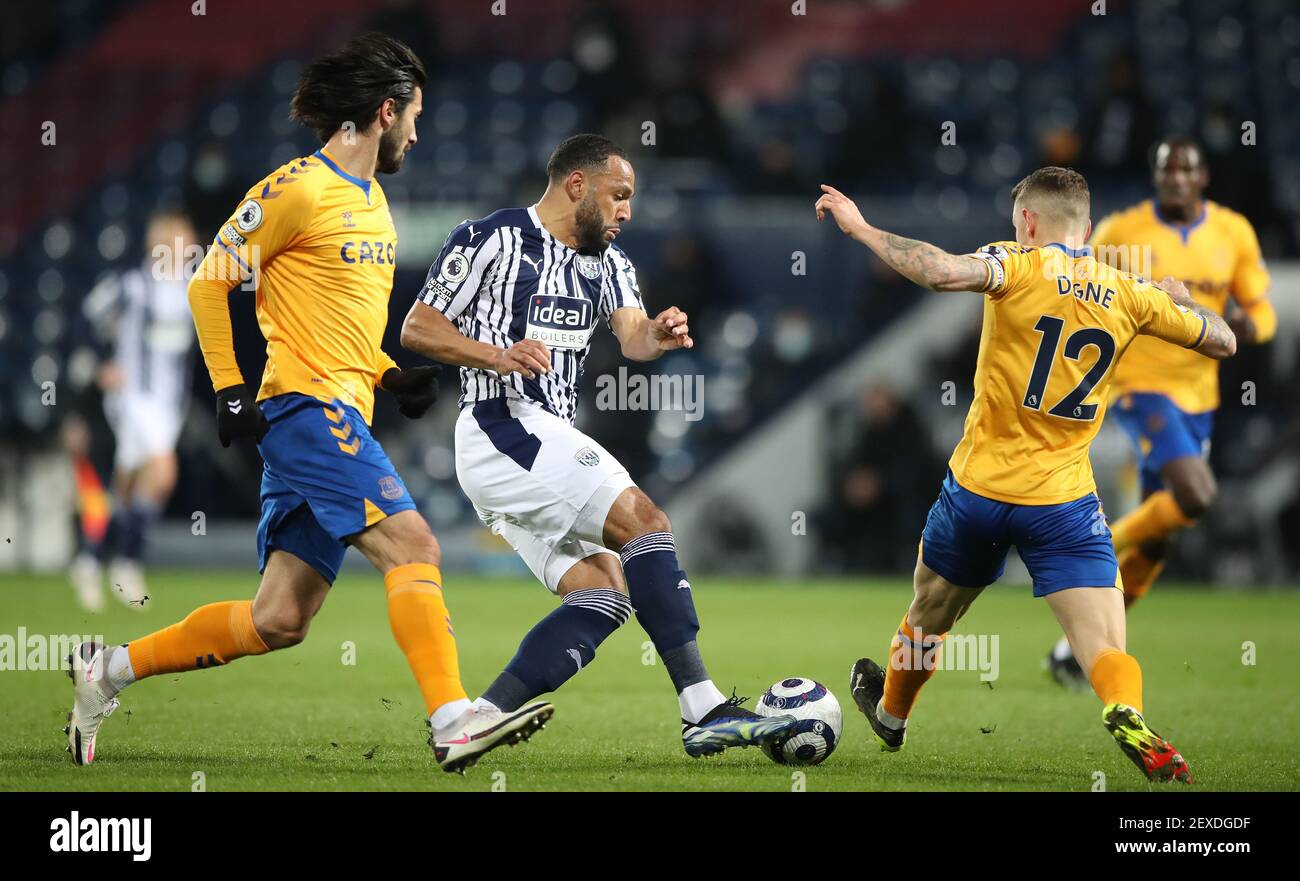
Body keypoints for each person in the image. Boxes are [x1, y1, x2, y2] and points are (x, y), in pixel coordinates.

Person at [64, 33, 551, 774]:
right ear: (385, 112)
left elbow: (339, 323)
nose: (419, 133)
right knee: (416, 545)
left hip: (342, 408)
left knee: (279, 619)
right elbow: (207, 281)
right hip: (304, 412)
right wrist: (230, 390)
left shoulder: (375, 205)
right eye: (415, 116)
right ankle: (453, 717)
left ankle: (109, 671)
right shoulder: (296, 187)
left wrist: (391, 375)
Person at [815, 167, 1236, 783]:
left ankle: (891, 715)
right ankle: (1124, 709)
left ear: (1029, 223)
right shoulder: (1130, 292)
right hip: (1063, 501)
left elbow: (937, 270)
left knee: (928, 612)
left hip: (979, 491)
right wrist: (1181, 299)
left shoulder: (1016, 263)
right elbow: (1223, 342)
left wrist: (860, 228)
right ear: (1088, 229)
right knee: (1105, 647)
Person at [399, 134, 798, 757]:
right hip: (501, 425)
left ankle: (471, 723)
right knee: (644, 520)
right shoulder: (490, 239)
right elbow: (418, 326)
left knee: (605, 593)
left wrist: (658, 337)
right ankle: (704, 707)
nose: (627, 211)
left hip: (544, 437)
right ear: (576, 186)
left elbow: (633, 337)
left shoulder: (612, 266)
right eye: (619, 195)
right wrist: (493, 355)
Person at [1046, 136, 1276, 688]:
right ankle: (1088, 546)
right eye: (1165, 169)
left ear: (1203, 177)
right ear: (1155, 176)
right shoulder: (1122, 231)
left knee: (1160, 536)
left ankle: (1070, 652)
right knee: (1196, 494)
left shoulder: (1233, 232)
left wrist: (1246, 326)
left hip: (1201, 396)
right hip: (1140, 384)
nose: (1175, 178)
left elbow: (1262, 310)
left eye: (1185, 170)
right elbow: (1072, 283)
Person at [70, 209, 198, 611]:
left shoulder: (193, 288)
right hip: (134, 399)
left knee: (125, 484)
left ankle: (90, 559)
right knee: (163, 473)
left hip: (168, 404)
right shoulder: (130, 285)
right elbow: (86, 319)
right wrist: (99, 364)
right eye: (173, 240)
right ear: (155, 245)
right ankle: (128, 562)